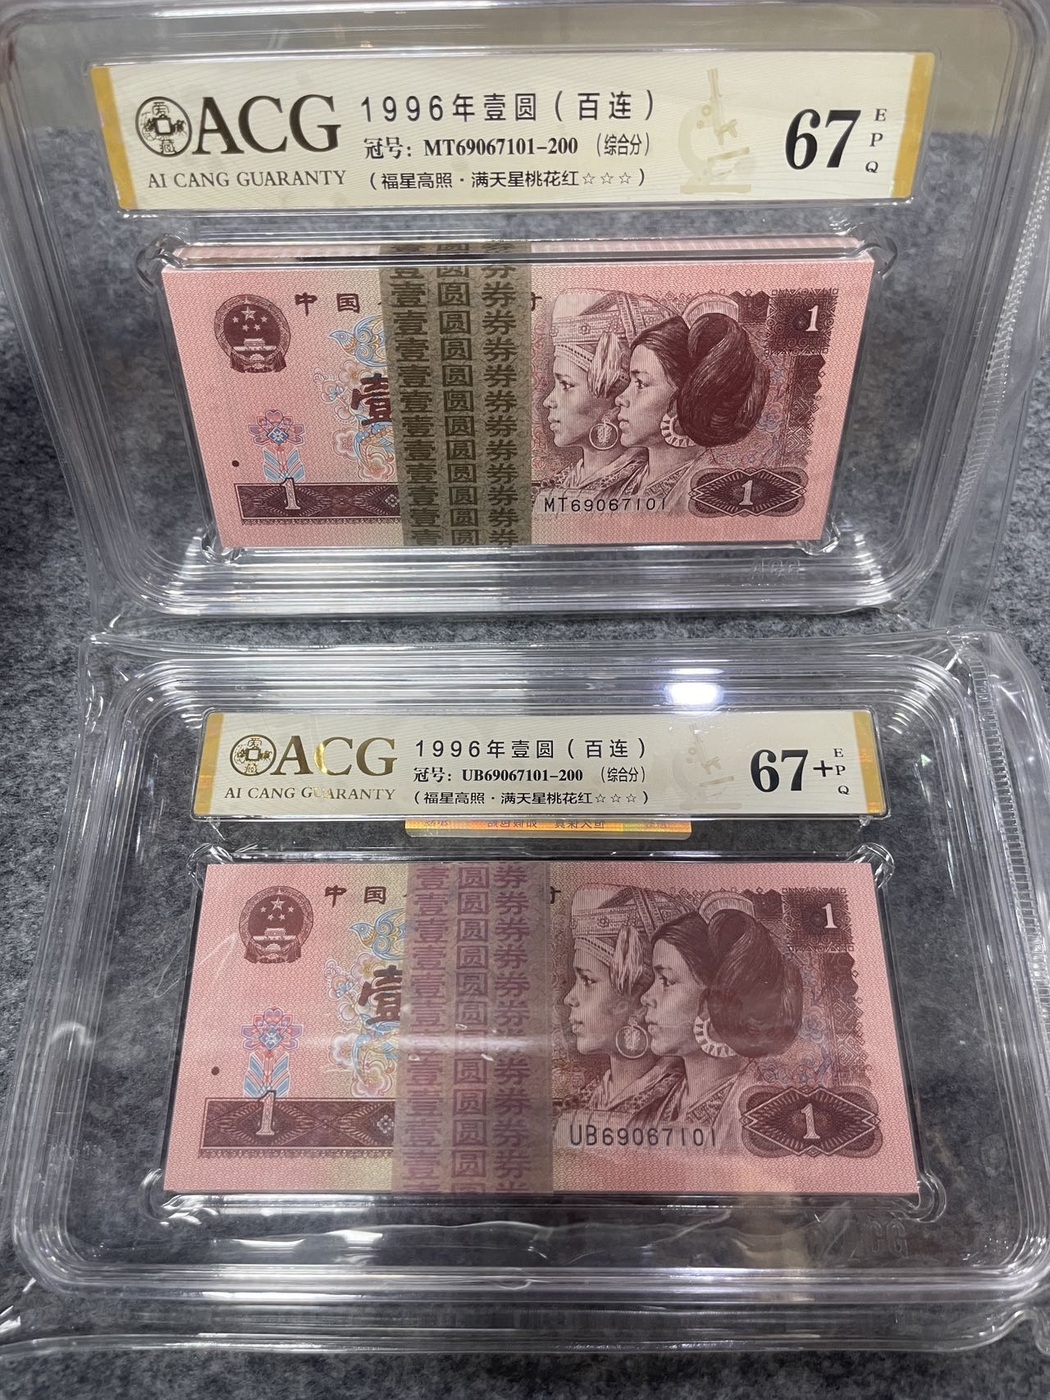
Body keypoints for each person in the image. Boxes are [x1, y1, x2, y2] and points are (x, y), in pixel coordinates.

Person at [641, 894, 803, 1142]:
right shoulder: (656, 1103)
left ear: (716, 999)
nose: (646, 998)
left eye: (666, 981)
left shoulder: (757, 1113)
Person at [601, 295, 770, 506]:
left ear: (685, 397)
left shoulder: (707, 494)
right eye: (630, 381)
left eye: (641, 383)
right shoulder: (617, 481)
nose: (620, 399)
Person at [562, 885, 684, 1124]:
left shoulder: (680, 1104)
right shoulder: (584, 1101)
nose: (569, 998)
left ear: (640, 1001)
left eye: (588, 980)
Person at [539, 289, 669, 490]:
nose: (548, 401)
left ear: (616, 398)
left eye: (566, 384)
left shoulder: (642, 487)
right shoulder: (559, 484)